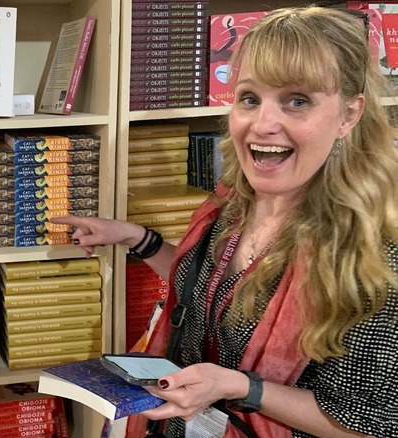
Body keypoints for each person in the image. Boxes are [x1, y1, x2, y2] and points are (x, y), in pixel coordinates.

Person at [53, 7, 398, 437]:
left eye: (297, 101)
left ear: (349, 114)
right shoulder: (234, 204)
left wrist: (239, 387)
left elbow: (372, 425)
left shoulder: (371, 256)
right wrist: (135, 238)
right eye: (250, 98)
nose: (263, 124)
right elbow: (207, 293)